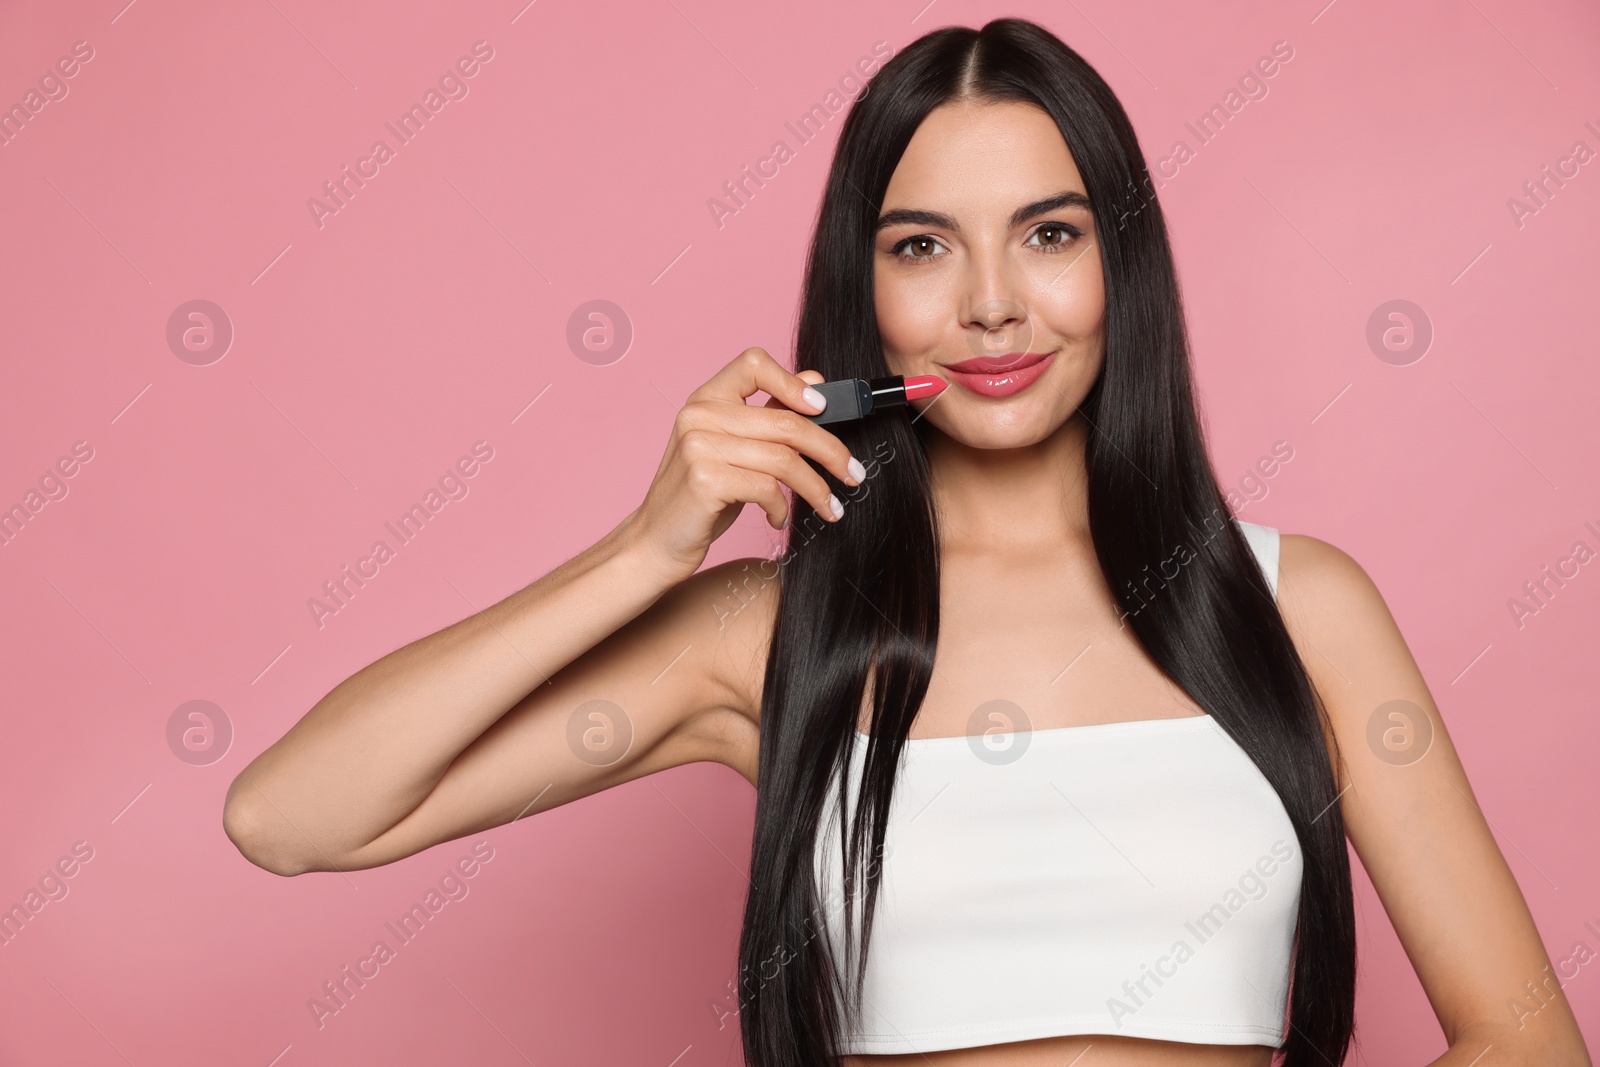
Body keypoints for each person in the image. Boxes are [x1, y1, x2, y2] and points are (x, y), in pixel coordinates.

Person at [222, 17, 1591, 1067]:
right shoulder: (763, 635)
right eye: (924, 248)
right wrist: (646, 552)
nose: (993, 305)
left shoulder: (1299, 609)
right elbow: (292, 818)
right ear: (861, 294)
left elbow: (1530, 1040)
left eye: (1047, 235)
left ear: (1122, 264)